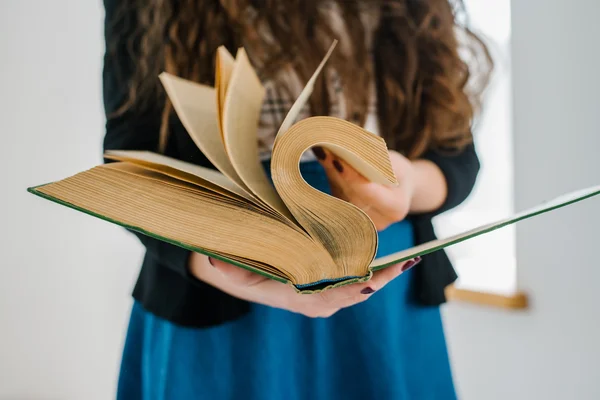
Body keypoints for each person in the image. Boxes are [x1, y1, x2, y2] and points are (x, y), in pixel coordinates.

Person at [102, 0, 492, 398]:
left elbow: (455, 156)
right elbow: (132, 161)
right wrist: (248, 278)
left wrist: (405, 184)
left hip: (382, 289)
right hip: (220, 291)